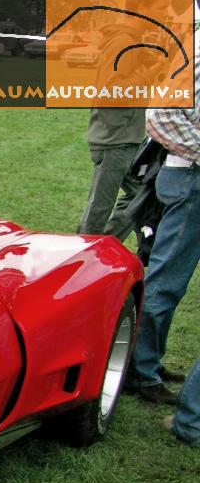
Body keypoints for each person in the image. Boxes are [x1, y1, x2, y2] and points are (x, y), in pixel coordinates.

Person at [127, 43, 200, 407]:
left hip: (188, 176)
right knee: (166, 279)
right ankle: (141, 371)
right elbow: (162, 115)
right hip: (191, 178)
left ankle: (147, 361)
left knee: (170, 278)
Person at [77, 108, 146, 240]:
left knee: (141, 195)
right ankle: (84, 252)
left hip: (128, 139)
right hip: (114, 141)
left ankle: (106, 245)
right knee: (100, 206)